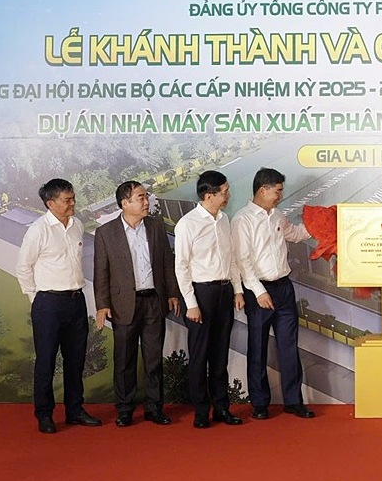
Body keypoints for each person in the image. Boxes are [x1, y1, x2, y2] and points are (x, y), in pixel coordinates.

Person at [16, 178, 102, 434]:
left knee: (76, 360)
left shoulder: (77, 225)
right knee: (46, 361)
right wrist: (36, 298)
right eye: (67, 200)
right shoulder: (38, 230)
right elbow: (23, 267)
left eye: (73, 198)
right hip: (48, 304)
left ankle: (75, 410)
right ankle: (44, 414)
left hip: (76, 301)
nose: (73, 203)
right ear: (50, 203)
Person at [93, 181, 182, 427]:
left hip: (154, 301)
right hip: (122, 305)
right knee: (124, 361)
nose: (146, 202)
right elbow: (101, 272)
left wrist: (172, 293)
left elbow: (166, 262)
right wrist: (102, 304)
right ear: (125, 203)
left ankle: (155, 408)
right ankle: (124, 410)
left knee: (154, 359)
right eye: (141, 197)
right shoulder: (106, 233)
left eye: (146, 197)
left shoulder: (155, 226)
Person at [232, 168, 316, 420]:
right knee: (257, 347)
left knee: (289, 346)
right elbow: (242, 261)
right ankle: (259, 403)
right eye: (277, 191)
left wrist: (322, 224)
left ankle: (293, 401)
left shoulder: (278, 215)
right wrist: (258, 292)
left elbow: (296, 235)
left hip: (284, 288)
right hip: (258, 290)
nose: (280, 195)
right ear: (263, 190)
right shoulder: (242, 220)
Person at [174, 170, 245, 429]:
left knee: (220, 354)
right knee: (199, 355)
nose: (228, 196)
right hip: (200, 295)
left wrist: (237, 289)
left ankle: (222, 408)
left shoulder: (224, 220)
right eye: (224, 192)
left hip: (224, 293)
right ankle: (201, 412)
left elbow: (232, 258)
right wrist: (191, 304)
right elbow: (181, 267)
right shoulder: (188, 224)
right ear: (208, 195)